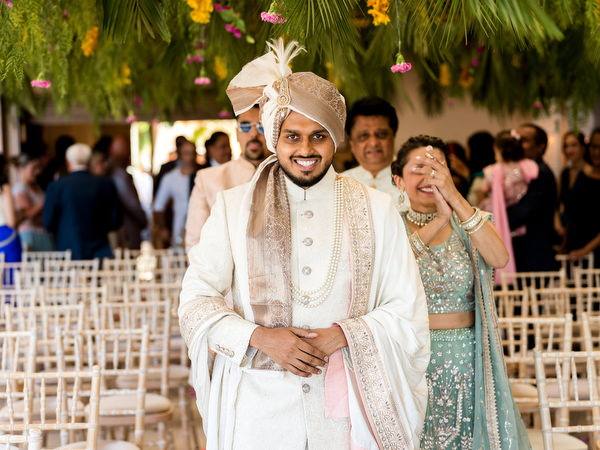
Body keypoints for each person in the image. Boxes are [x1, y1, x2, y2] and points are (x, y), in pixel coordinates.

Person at [179, 39, 430, 449]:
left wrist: (345, 334)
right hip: (257, 407)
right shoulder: (233, 207)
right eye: (292, 136)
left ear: (336, 139)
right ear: (274, 137)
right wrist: (260, 338)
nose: (306, 150)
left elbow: (407, 307)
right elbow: (195, 301)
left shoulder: (377, 208)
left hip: (350, 403)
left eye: (319, 136)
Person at [391, 135, 530, 449]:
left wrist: (454, 200)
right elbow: (394, 267)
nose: (429, 177)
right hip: (412, 357)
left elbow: (500, 258)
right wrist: (439, 219)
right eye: (418, 169)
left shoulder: (470, 225)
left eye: (438, 167)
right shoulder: (389, 228)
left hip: (467, 358)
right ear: (398, 180)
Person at [184, 105, 268, 252]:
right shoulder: (208, 179)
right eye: (246, 127)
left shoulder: (289, 177)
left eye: (261, 126)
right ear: (236, 134)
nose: (254, 134)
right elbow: (195, 245)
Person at [43, 144, 123, 260]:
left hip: (67, 252)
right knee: (98, 278)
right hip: (99, 250)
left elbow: (48, 223)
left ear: (68, 162)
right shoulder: (105, 184)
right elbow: (116, 220)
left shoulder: (56, 187)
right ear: (90, 162)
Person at [478, 130, 539, 280]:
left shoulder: (492, 171)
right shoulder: (524, 169)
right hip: (518, 221)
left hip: (497, 214)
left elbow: (482, 190)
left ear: (499, 151)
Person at [507, 123, 558, 271]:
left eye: (524, 140)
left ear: (540, 147)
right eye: (516, 139)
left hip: (534, 256)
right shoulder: (518, 170)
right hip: (525, 253)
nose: (517, 144)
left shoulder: (539, 173)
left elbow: (524, 212)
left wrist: (496, 218)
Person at [342, 96, 400, 202]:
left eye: (381, 134)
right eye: (364, 136)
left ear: (393, 137)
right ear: (352, 143)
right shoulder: (338, 185)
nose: (373, 143)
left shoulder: (413, 180)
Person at [564, 127, 600, 266]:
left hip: (593, 251)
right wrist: (564, 245)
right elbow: (572, 215)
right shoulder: (581, 175)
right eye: (594, 147)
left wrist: (585, 250)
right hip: (575, 249)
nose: (596, 152)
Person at [153, 139, 198, 248]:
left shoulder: (203, 174)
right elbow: (158, 206)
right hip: (179, 230)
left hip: (200, 228)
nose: (190, 157)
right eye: (186, 153)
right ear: (180, 155)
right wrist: (163, 228)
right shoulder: (170, 177)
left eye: (192, 153)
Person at [107, 134, 148, 249]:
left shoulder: (111, 170)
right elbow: (131, 203)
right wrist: (143, 220)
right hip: (125, 230)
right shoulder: (118, 173)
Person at [13, 152, 54, 251]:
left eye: (38, 168)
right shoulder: (20, 188)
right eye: (33, 168)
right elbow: (28, 214)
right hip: (31, 235)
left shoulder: (37, 187)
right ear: (21, 169)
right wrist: (47, 200)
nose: (37, 172)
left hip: (43, 233)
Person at [557, 131, 586, 238]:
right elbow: (556, 203)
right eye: (566, 146)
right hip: (568, 232)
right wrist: (558, 225)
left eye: (574, 145)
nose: (569, 150)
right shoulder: (565, 173)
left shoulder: (593, 173)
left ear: (583, 147)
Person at [0, 155, 21, 262]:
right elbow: (11, 221)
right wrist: (21, 215)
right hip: (4, 234)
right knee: (9, 275)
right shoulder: (4, 188)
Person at [466, 131, 495, 205]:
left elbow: (482, 210)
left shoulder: (480, 178)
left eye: (468, 147)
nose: (466, 151)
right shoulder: (493, 171)